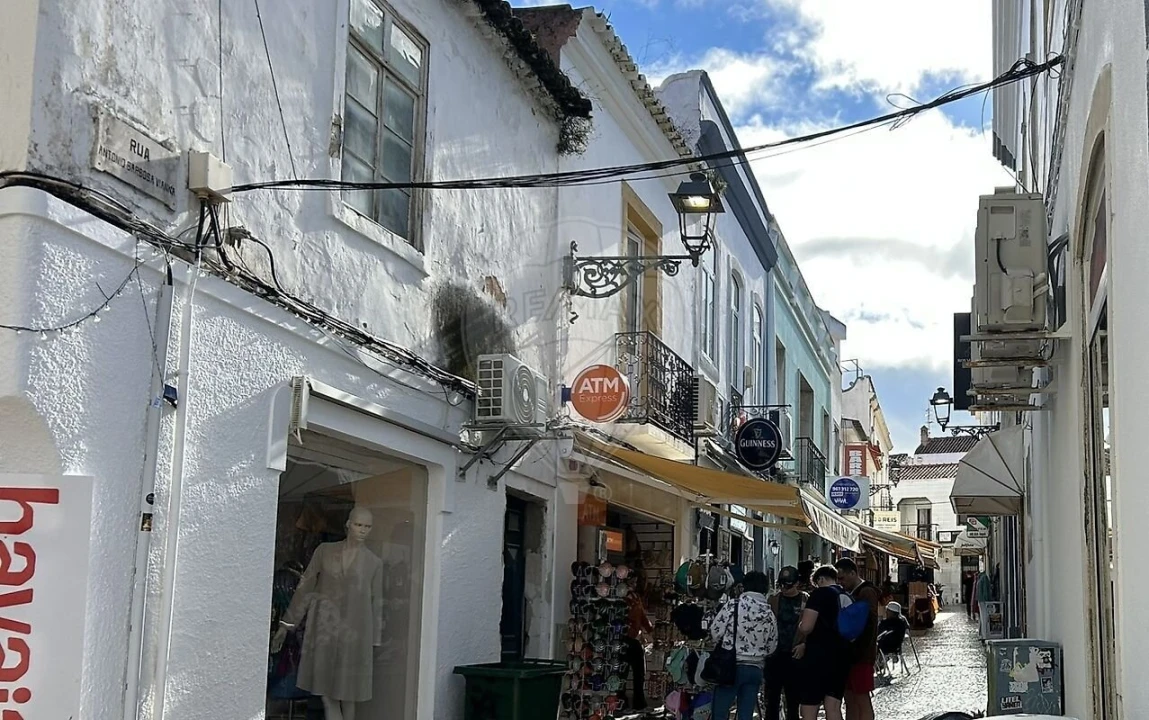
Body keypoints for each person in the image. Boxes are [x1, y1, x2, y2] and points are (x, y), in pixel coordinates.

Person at [709, 570, 778, 720]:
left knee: (720, 713)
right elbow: (772, 646)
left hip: (731, 666)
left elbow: (715, 631)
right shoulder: (769, 613)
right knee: (746, 715)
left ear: (744, 586)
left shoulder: (733, 605)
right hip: (755, 669)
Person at [792, 566, 848, 720]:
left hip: (818, 658)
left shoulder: (819, 594)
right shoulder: (845, 595)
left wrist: (800, 625)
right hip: (841, 658)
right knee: (834, 708)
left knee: (809, 708)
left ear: (820, 579)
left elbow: (807, 627)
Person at [835, 558, 879, 720]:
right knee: (850, 699)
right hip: (850, 656)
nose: (840, 582)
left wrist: (859, 650)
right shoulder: (852, 593)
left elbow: (868, 626)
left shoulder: (866, 592)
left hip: (861, 655)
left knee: (861, 699)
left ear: (853, 573)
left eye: (842, 578)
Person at [766, 566, 808, 720]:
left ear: (797, 583)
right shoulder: (773, 600)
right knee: (771, 700)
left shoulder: (806, 600)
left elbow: (814, 628)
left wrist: (805, 645)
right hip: (775, 655)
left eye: (788, 585)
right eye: (781, 584)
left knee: (793, 701)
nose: (784, 588)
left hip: (795, 656)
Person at [621, 588, 653, 711]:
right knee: (622, 673)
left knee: (639, 673)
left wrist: (650, 629)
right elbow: (627, 619)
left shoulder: (636, 597)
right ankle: (621, 702)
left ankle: (639, 703)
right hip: (624, 639)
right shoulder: (623, 599)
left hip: (635, 640)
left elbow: (642, 615)